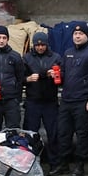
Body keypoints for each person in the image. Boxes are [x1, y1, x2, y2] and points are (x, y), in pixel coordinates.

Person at [48, 21, 88, 176]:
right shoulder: (68, 52)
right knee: (63, 133)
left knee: (82, 134)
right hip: (67, 100)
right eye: (75, 34)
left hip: (83, 101)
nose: (77, 36)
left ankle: (80, 165)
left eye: (81, 34)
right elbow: (63, 74)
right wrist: (56, 75)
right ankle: (64, 164)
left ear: (86, 36)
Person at [23, 31, 61, 167]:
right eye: (37, 45)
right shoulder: (26, 58)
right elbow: (18, 78)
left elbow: (64, 78)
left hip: (50, 102)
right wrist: (28, 79)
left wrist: (57, 74)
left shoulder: (55, 57)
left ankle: (55, 163)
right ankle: (30, 163)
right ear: (34, 45)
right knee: (30, 134)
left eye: (43, 45)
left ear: (47, 45)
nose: (40, 48)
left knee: (54, 134)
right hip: (33, 101)